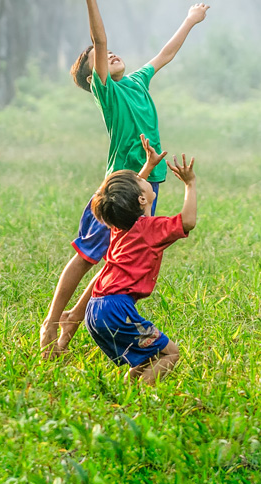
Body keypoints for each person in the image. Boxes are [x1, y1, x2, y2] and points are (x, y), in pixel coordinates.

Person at [38, 0, 209, 357]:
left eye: (112, 53)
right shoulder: (108, 92)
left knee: (117, 262)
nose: (109, 53)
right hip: (119, 186)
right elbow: (99, 41)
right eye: (98, 58)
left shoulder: (135, 81)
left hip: (150, 183)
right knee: (86, 256)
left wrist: (189, 20)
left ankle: (68, 334)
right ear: (91, 78)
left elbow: (164, 54)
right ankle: (52, 322)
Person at [78, 138, 197, 384]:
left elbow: (128, 201)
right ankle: (141, 401)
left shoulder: (119, 225)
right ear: (141, 200)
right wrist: (190, 184)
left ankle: (126, 394)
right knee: (170, 353)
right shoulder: (150, 229)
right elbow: (188, 221)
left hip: (95, 309)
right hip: (116, 310)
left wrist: (148, 167)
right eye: (143, 181)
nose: (145, 180)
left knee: (146, 360)